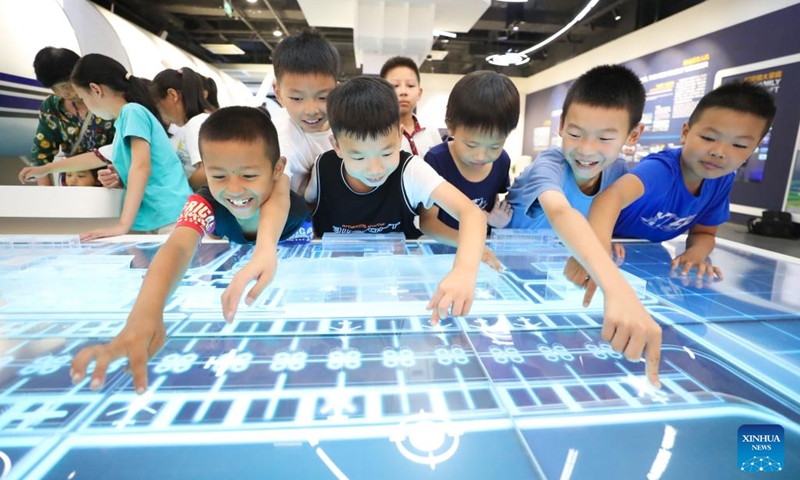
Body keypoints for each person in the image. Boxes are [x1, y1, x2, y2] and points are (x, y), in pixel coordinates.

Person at [69, 106, 310, 394]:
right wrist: (145, 314)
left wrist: (265, 248)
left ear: (276, 169)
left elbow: (278, 200)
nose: (234, 189)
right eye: (218, 176)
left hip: (297, 257)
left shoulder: (281, 190)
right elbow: (178, 247)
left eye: (248, 176)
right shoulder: (203, 202)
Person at [510, 64, 663, 387]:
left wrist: (604, 242)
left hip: (562, 278)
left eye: (605, 138)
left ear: (633, 135)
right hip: (514, 272)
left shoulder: (620, 171)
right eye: (575, 134)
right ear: (561, 126)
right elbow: (562, 213)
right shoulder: (548, 166)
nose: (586, 150)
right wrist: (616, 287)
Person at [567, 80, 777, 297]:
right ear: (685, 132)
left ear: (753, 148)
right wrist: (598, 249)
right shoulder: (661, 169)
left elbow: (704, 232)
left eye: (739, 145)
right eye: (708, 138)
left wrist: (696, 254)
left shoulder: (721, 180)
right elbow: (610, 198)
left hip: (642, 258)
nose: (719, 151)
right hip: (601, 245)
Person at [303, 76, 487, 323]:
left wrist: (464, 272)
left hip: (397, 287)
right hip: (337, 287)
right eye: (358, 158)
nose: (375, 169)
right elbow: (308, 211)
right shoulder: (323, 168)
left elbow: (471, 214)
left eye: (387, 152)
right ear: (336, 145)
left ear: (400, 136)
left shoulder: (411, 170)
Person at [21, 54, 192, 239]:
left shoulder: (132, 112)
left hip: (171, 216)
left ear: (95, 89)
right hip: (161, 216)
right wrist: (45, 169)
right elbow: (96, 157)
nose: (84, 104)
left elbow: (141, 168)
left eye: (83, 97)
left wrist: (121, 226)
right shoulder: (125, 119)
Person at [422, 71, 518, 235]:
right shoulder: (436, 160)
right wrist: (468, 245)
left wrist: (496, 220)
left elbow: (492, 204)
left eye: (495, 146)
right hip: (445, 247)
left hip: (482, 247)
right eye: (471, 144)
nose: (481, 156)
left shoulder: (501, 160)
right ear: (451, 127)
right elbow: (428, 223)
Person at [28, 47, 115, 186]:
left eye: (66, 85)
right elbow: (41, 155)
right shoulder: (51, 107)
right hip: (73, 180)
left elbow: (123, 148)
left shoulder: (106, 99)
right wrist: (46, 196)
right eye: (55, 88)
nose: (63, 92)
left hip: (109, 179)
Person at [270, 31, 340, 194]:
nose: (311, 110)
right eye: (297, 98)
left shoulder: (348, 127)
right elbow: (278, 194)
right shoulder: (278, 134)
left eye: (323, 97)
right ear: (278, 93)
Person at [151, 67, 216, 190]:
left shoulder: (196, 124)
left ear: (172, 95)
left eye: (158, 105)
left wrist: (180, 190)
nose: (160, 112)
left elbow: (205, 172)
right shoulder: (202, 121)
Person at [379, 56, 442, 157]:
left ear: (419, 93)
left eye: (410, 85)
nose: (403, 92)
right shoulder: (377, 133)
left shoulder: (431, 131)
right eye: (395, 86)